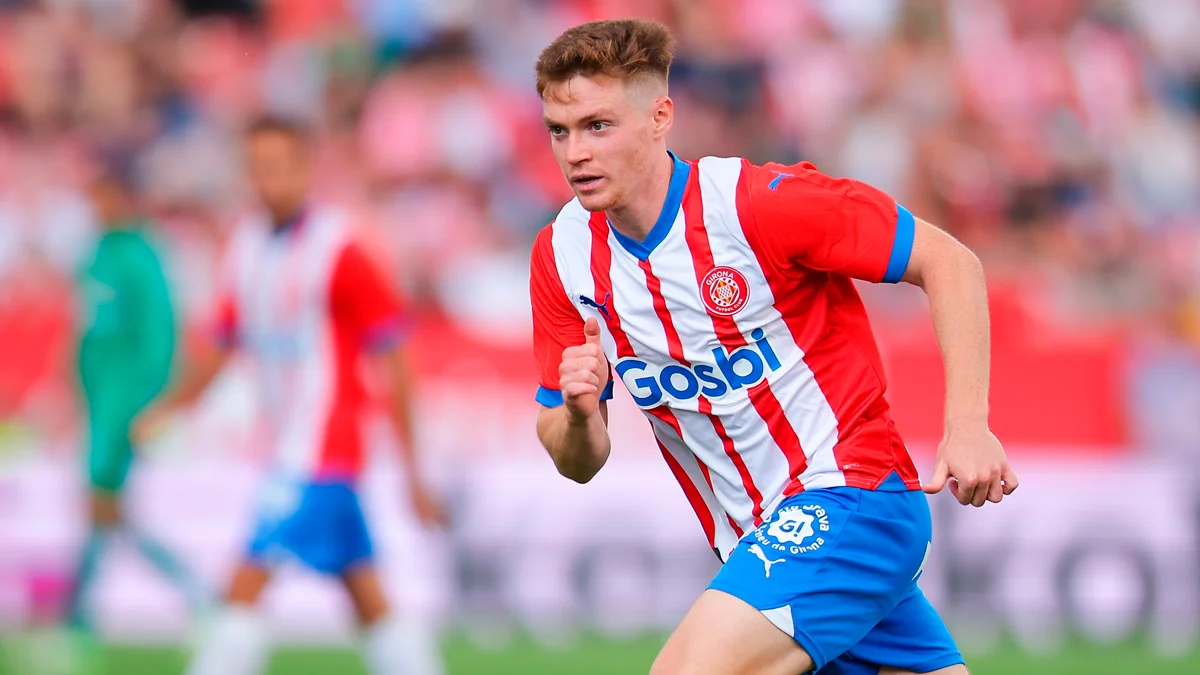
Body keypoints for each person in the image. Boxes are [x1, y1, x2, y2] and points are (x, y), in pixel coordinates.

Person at [529, 19, 1018, 675]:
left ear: (660, 117)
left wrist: (968, 424)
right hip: (759, 542)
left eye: (598, 126)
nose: (575, 153)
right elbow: (579, 461)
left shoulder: (756, 204)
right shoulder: (561, 256)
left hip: (851, 494)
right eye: (559, 131)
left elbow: (950, 260)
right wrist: (578, 412)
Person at [135, 116, 446, 675]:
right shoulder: (245, 245)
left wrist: (413, 471)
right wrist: (169, 408)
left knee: (245, 581)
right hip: (286, 445)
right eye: (258, 167)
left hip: (324, 447)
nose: (269, 179)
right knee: (364, 590)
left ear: (306, 169)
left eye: (280, 166)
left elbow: (395, 358)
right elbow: (222, 345)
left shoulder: (340, 248)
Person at [65, 153, 206, 642]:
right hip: (99, 399)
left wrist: (154, 404)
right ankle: (187, 590)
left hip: (125, 402)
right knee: (105, 508)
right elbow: (86, 333)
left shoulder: (142, 256)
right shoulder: (96, 253)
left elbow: (160, 335)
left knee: (102, 503)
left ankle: (80, 615)